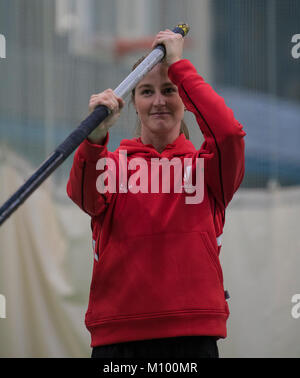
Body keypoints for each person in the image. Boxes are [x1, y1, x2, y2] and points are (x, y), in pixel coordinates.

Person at [67, 29, 246, 358]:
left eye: (169, 90)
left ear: (185, 98)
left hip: (192, 337)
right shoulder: (111, 165)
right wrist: (92, 140)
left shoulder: (208, 170)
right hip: (119, 339)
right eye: (147, 91)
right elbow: (82, 196)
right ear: (134, 103)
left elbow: (229, 134)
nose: (159, 101)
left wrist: (180, 67)